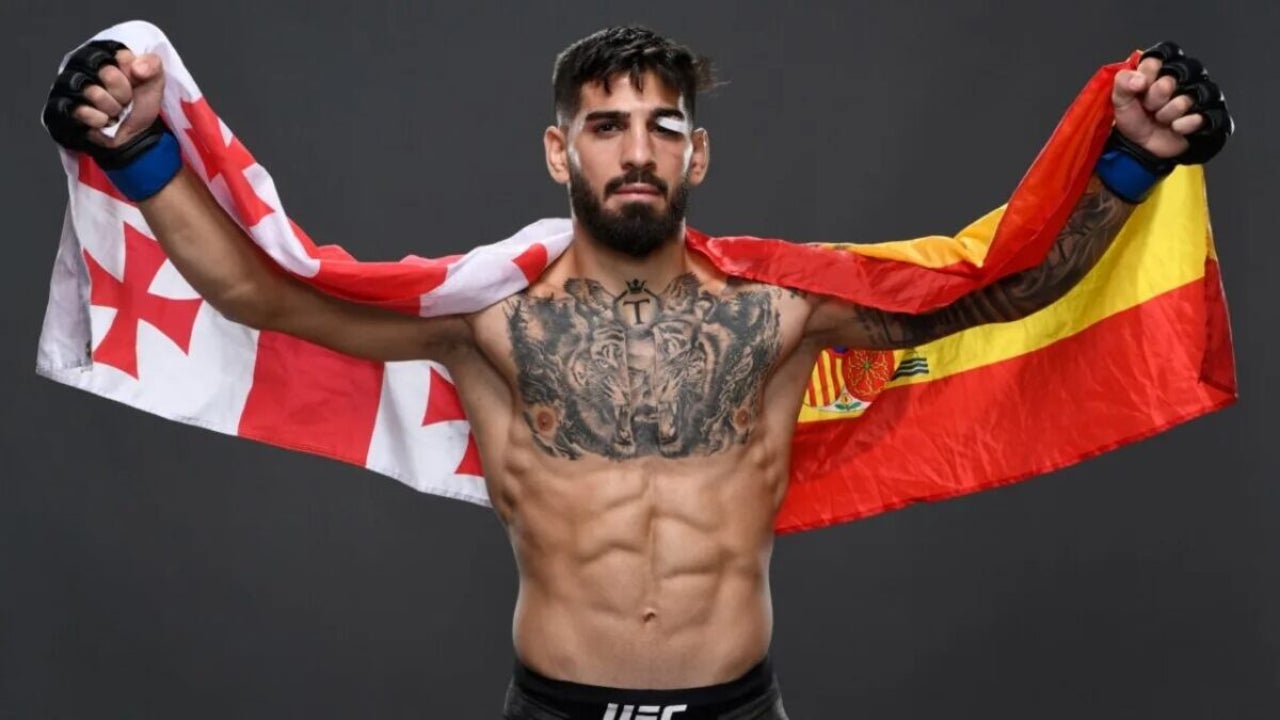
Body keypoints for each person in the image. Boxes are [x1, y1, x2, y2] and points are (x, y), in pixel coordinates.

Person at [42, 25, 1231, 720]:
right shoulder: (484, 322)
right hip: (552, 705)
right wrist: (138, 147)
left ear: (695, 155)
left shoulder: (779, 310)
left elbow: (1002, 289)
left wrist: (1127, 161)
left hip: (735, 703)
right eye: (605, 126)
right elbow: (263, 295)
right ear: (558, 149)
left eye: (662, 127)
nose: (635, 150)